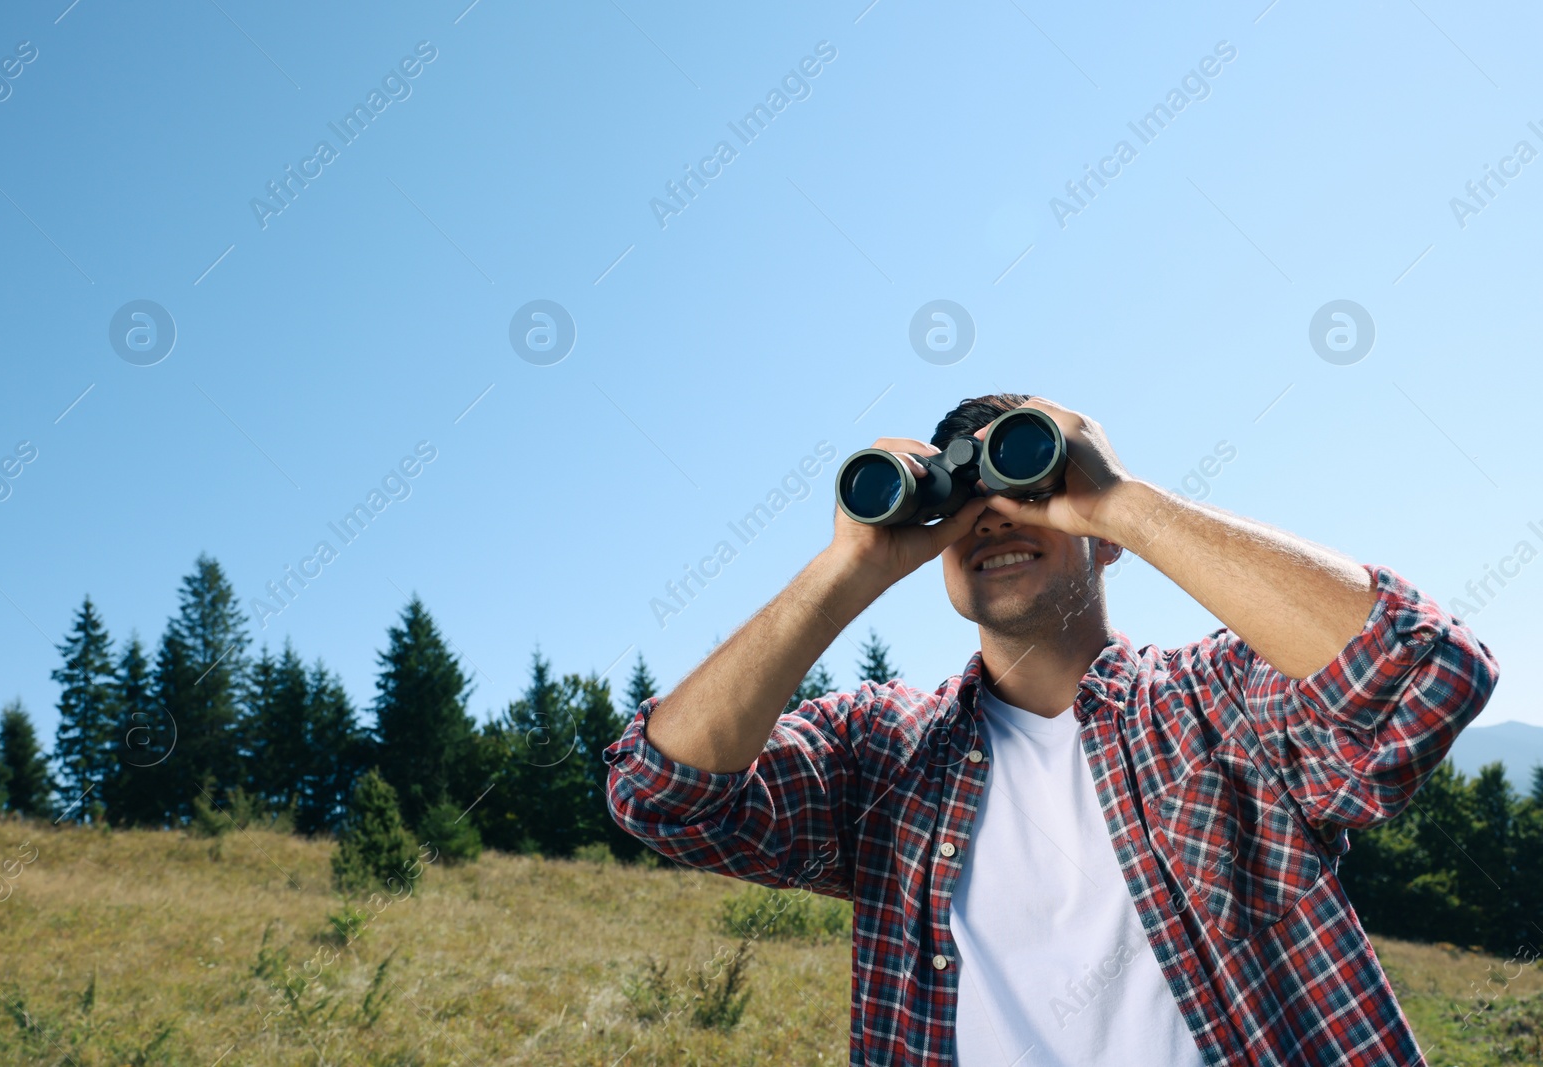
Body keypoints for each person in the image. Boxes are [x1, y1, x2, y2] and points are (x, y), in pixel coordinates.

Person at [602, 393, 1499, 1066]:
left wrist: (1123, 506)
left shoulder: (1212, 706)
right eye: (958, 504)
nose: (991, 515)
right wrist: (850, 565)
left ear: (1098, 529)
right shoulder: (879, 752)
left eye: (1024, 481)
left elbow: (1423, 674)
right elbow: (662, 795)